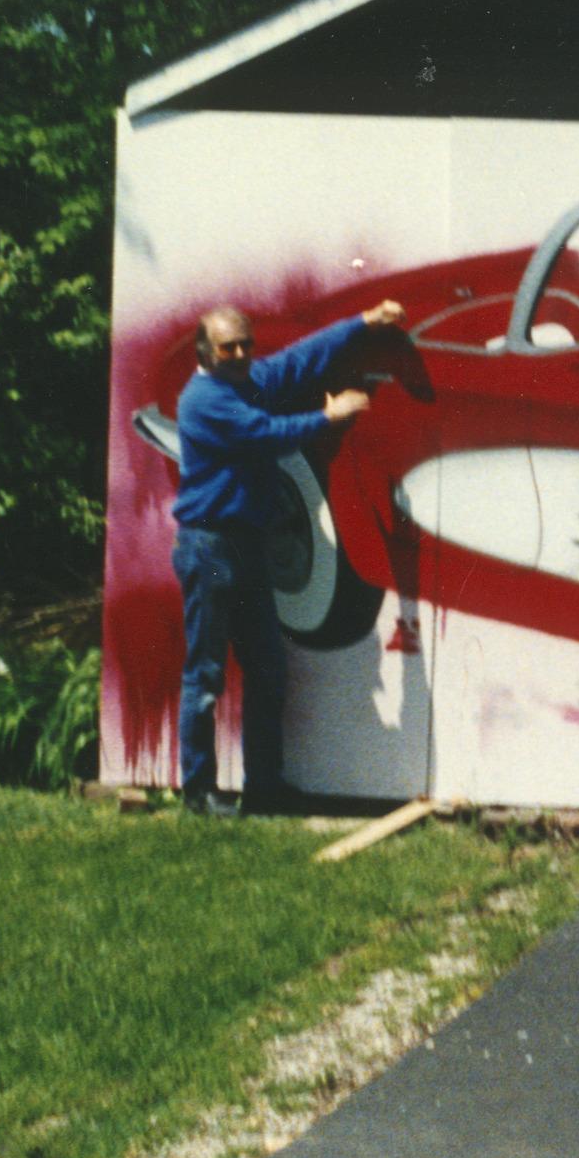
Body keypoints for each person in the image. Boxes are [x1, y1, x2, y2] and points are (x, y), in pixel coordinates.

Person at [172, 299, 404, 815]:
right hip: (209, 549)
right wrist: (329, 414)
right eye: (228, 347)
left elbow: (300, 358)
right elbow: (265, 435)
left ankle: (265, 787)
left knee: (267, 667)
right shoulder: (206, 400)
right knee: (206, 671)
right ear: (205, 350)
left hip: (247, 548)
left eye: (245, 345)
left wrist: (362, 322)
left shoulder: (244, 381)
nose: (239, 354)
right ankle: (198, 792)